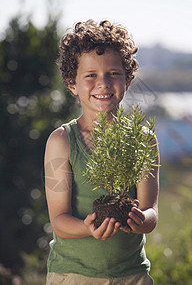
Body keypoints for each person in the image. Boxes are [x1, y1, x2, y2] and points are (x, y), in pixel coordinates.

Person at [44, 20, 159, 285]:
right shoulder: (61, 141)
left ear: (127, 80)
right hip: (73, 275)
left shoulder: (144, 141)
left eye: (113, 73)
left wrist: (140, 220)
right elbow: (59, 219)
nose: (103, 83)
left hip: (132, 275)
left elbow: (151, 212)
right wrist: (88, 227)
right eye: (90, 75)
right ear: (72, 84)